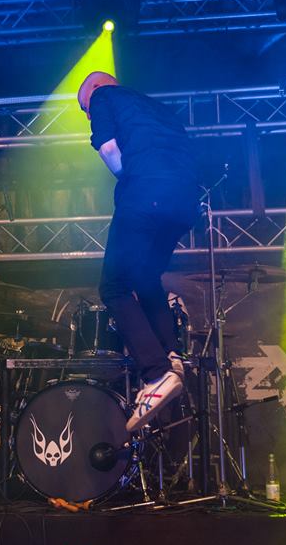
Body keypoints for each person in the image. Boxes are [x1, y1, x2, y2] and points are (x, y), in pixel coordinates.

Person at [77, 71, 200, 432]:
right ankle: (172, 356)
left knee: (113, 287)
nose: (88, 114)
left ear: (95, 90)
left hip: (147, 194)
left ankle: (156, 373)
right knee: (146, 278)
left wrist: (130, 178)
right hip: (185, 204)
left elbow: (108, 148)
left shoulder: (104, 97)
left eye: (85, 108)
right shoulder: (159, 109)